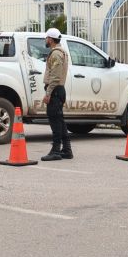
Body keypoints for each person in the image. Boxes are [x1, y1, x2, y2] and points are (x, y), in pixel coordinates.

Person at [40, 27, 71, 161]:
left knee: (55, 121)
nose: (45, 40)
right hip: (58, 90)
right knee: (60, 121)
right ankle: (67, 149)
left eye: (46, 38)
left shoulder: (56, 54)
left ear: (51, 40)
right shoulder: (60, 52)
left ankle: (56, 150)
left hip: (55, 90)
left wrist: (48, 93)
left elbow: (55, 77)